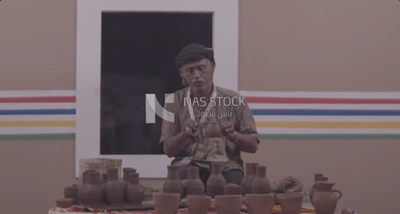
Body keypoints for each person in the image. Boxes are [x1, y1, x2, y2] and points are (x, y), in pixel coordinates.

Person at [159, 43, 260, 186]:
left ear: (212, 66)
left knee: (233, 186)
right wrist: (184, 134)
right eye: (190, 71)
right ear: (182, 73)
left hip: (227, 164)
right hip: (189, 163)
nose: (197, 75)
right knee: (179, 184)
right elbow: (168, 150)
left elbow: (253, 146)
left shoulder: (234, 100)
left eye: (201, 68)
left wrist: (233, 136)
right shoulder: (173, 102)